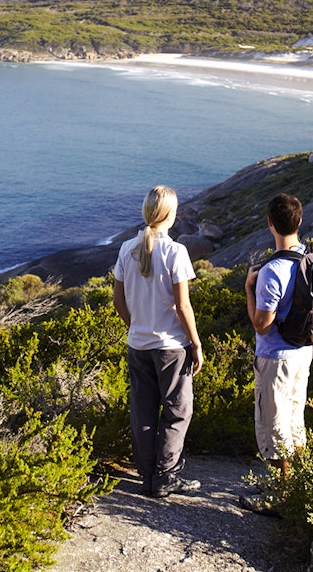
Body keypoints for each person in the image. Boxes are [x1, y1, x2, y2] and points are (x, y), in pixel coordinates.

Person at [113, 185, 204, 498]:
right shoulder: (175, 252)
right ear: (170, 215)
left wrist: (136, 325)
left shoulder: (127, 249)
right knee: (177, 412)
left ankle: (147, 476)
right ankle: (166, 478)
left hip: (137, 345)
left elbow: (118, 301)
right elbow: (183, 306)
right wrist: (196, 343)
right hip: (171, 347)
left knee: (143, 412)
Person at [241, 193, 312, 511]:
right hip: (303, 353)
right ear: (299, 222)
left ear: (270, 224)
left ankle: (281, 499)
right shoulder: (310, 260)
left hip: (276, 358)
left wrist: (248, 291)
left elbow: (261, 325)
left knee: (273, 426)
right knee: (295, 421)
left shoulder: (273, 270)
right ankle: (301, 488)